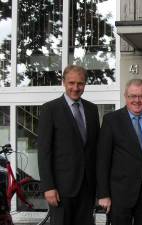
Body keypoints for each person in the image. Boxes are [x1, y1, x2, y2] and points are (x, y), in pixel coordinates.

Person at [97, 79, 142, 225]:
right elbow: (103, 160)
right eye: (132, 96)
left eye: (141, 96)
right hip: (119, 195)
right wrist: (103, 194)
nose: (137, 100)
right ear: (126, 97)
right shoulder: (111, 120)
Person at [37, 65, 100, 225]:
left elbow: (94, 150)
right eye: (71, 83)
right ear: (63, 82)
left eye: (80, 83)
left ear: (85, 84)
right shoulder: (50, 109)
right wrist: (48, 186)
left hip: (87, 189)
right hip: (61, 189)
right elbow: (44, 151)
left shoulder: (92, 110)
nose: (76, 88)